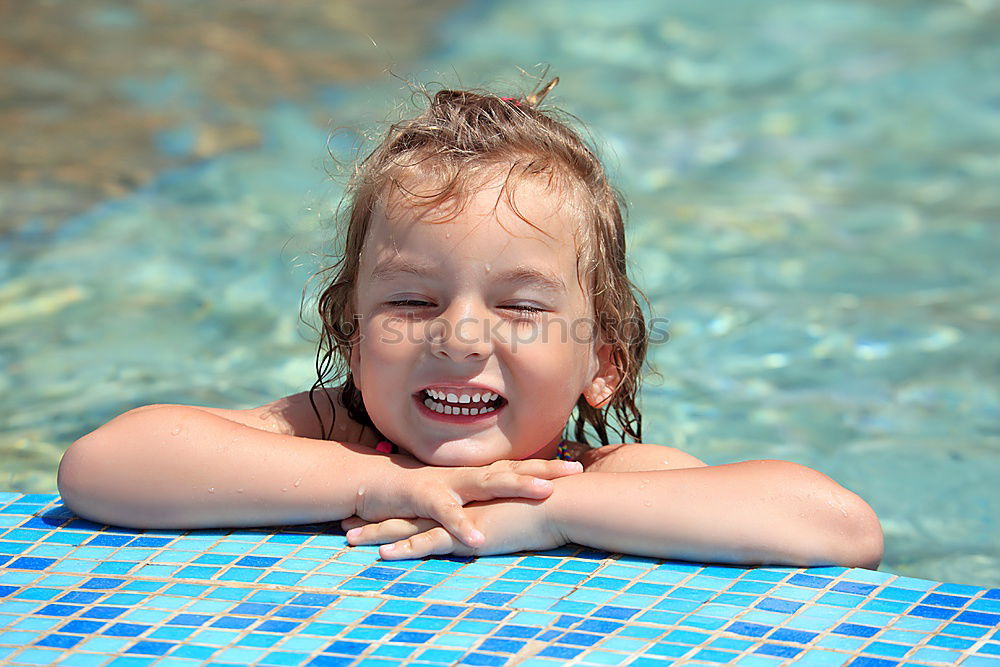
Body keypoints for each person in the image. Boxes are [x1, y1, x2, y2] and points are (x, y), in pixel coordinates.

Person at [58, 80, 883, 568]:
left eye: (520, 306)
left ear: (603, 362)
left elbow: (837, 526)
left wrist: (549, 516)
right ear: (352, 335)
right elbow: (100, 466)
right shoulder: (329, 435)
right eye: (412, 301)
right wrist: (382, 483)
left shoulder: (589, 475)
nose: (459, 336)